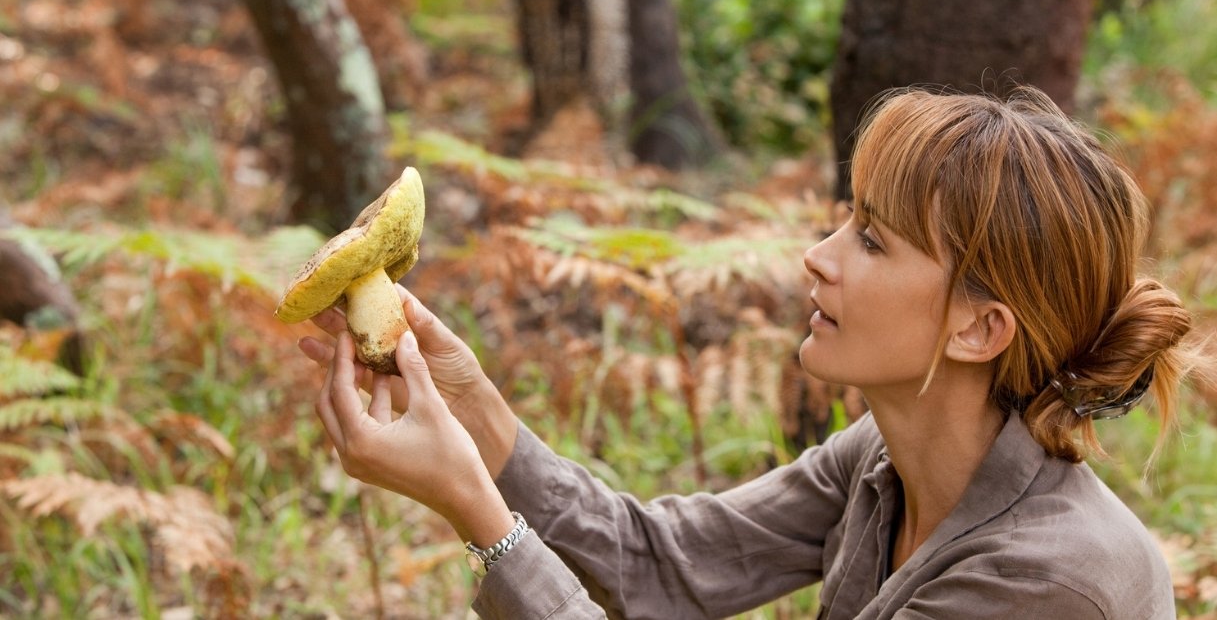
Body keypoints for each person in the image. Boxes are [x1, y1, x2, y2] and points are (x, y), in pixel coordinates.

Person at [299, 87, 1202, 619]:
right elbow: (658, 563)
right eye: (847, 219)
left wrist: (479, 516)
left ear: (978, 329)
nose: (818, 256)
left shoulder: (1046, 583)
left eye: (872, 241)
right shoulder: (886, 458)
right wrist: (469, 405)